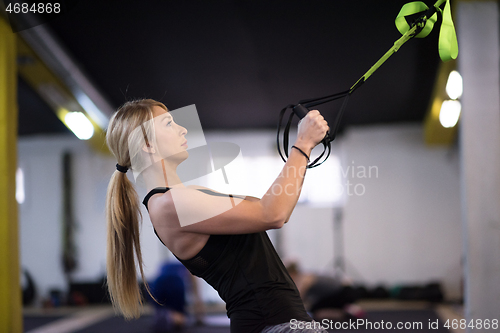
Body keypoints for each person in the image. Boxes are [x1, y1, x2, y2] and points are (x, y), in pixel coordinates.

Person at [105, 99, 330, 333]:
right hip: (274, 323)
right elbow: (274, 213)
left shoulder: (182, 197)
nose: (182, 128)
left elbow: (270, 205)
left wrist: (303, 148)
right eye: (168, 123)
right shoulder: (170, 204)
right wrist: (303, 143)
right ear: (148, 145)